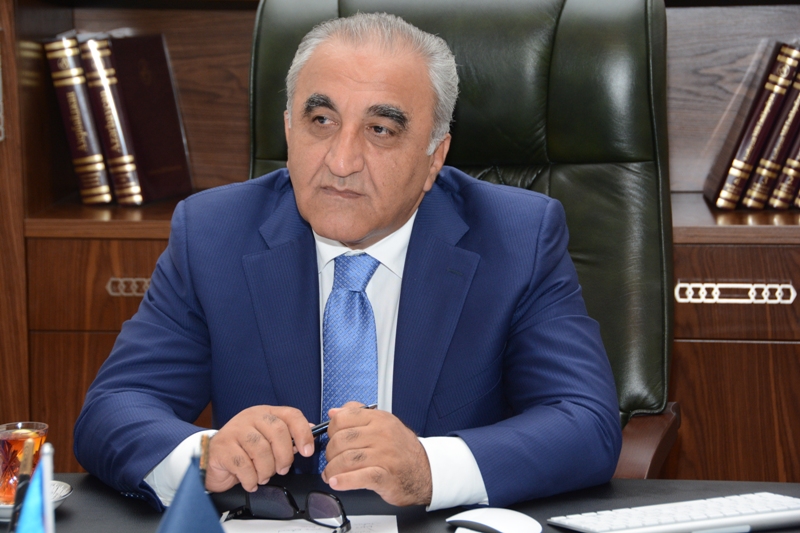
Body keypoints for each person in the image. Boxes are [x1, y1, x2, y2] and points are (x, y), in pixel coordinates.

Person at [74, 12, 622, 512]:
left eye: (380, 130)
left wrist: (429, 468)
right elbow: (115, 409)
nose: (340, 161)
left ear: (434, 158)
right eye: (321, 120)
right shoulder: (214, 234)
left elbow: (585, 422)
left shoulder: (517, 239)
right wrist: (206, 455)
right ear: (288, 130)